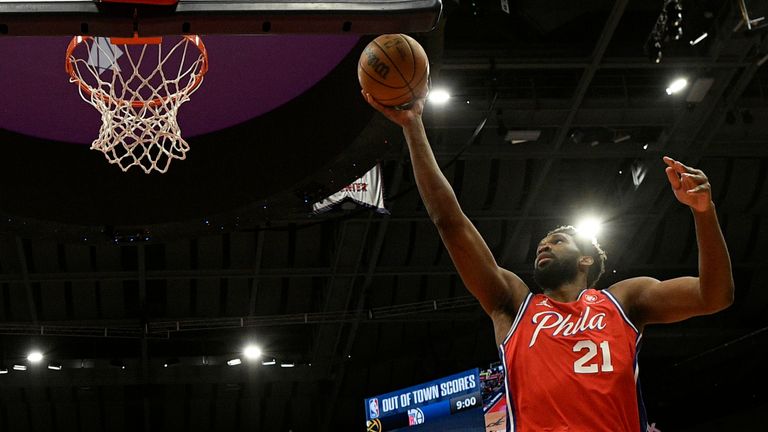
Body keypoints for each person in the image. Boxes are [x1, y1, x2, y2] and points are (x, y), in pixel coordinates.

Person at [362, 88, 735, 432]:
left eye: (557, 240)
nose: (544, 246)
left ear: (587, 259)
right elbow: (450, 223)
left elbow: (714, 296)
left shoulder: (623, 301)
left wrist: (704, 212)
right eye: (542, 242)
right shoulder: (513, 306)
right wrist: (413, 127)